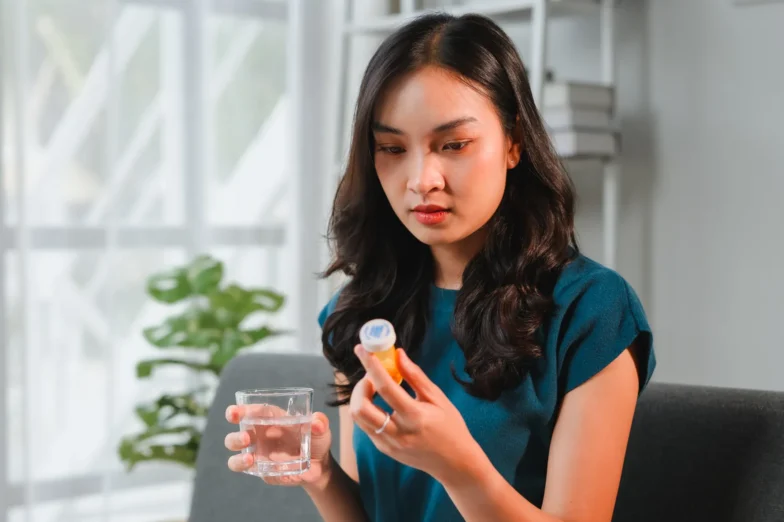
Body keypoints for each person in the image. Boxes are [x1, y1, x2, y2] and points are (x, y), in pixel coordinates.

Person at [224, 12, 655, 522]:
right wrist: (322, 477)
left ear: (514, 142)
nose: (421, 179)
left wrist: (457, 466)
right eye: (392, 148)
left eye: (453, 145)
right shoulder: (362, 311)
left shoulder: (592, 311)